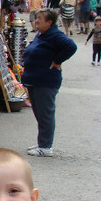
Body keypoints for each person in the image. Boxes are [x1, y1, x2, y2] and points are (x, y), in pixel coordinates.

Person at [21, 8, 76, 157]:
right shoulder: (42, 34)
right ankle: (42, 142)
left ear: (49, 22)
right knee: (39, 113)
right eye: (36, 18)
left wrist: (57, 61)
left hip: (45, 81)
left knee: (45, 113)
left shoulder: (55, 35)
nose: (36, 21)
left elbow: (72, 46)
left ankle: (46, 147)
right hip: (35, 80)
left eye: (40, 19)